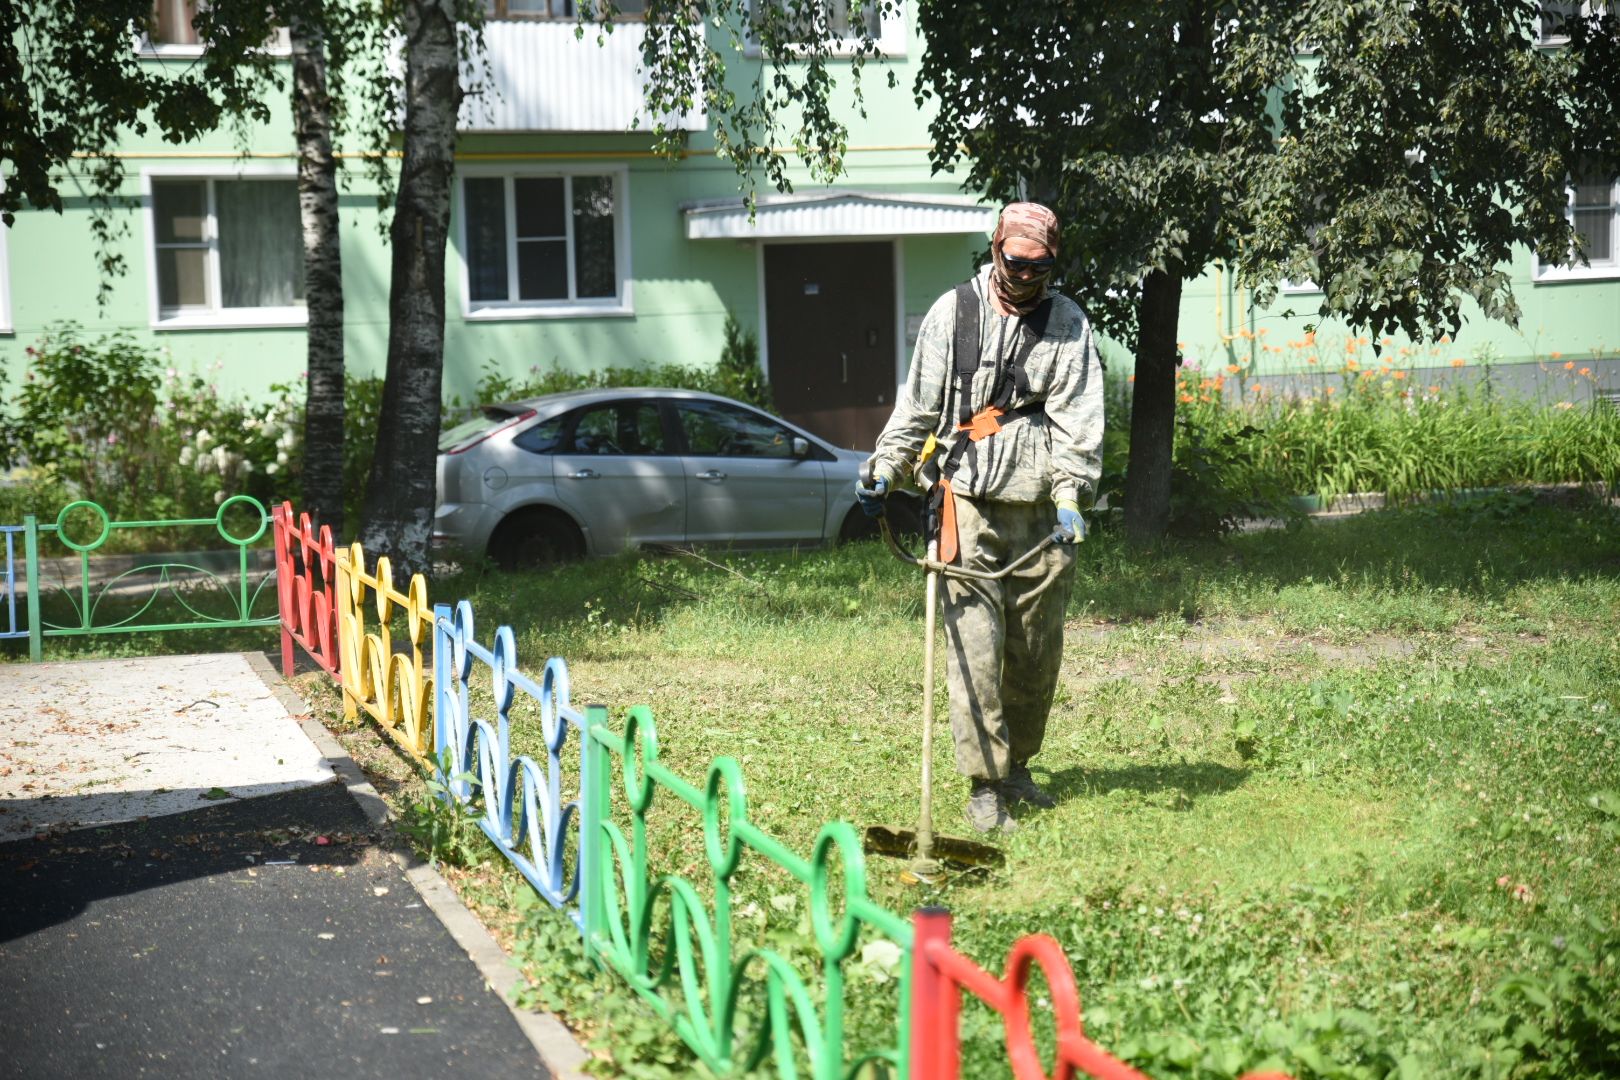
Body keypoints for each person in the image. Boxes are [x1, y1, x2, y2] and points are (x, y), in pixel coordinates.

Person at [856, 202, 1104, 834]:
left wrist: (1072, 496)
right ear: (996, 250)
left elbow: (1078, 422)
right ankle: (985, 785)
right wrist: (887, 467)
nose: (1024, 276)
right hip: (963, 502)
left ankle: (1017, 766)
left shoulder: (1069, 325)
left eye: (1038, 267)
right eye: (1015, 263)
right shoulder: (952, 314)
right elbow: (917, 408)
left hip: (1042, 515)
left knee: (1035, 654)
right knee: (974, 650)